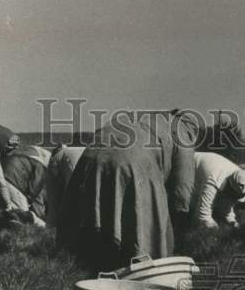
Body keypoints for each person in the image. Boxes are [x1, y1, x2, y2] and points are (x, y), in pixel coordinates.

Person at [57, 111, 199, 270]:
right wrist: (178, 224)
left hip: (92, 154)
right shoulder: (183, 132)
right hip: (132, 160)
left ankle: (84, 265)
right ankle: (139, 271)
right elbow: (182, 188)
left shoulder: (149, 119)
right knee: (144, 228)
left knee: (92, 220)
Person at [0, 145, 51, 227]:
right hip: (13, 180)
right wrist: (40, 217)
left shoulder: (29, 154)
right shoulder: (43, 167)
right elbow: (36, 193)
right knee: (23, 218)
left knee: (2, 213)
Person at [190, 152, 245, 229]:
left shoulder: (240, 176)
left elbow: (228, 204)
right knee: (186, 203)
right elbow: (202, 216)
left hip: (208, 168)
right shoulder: (214, 176)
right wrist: (214, 228)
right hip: (189, 166)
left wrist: (232, 222)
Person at [45, 144, 86, 228]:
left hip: (57, 159)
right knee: (74, 197)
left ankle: (51, 230)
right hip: (74, 160)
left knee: (54, 201)